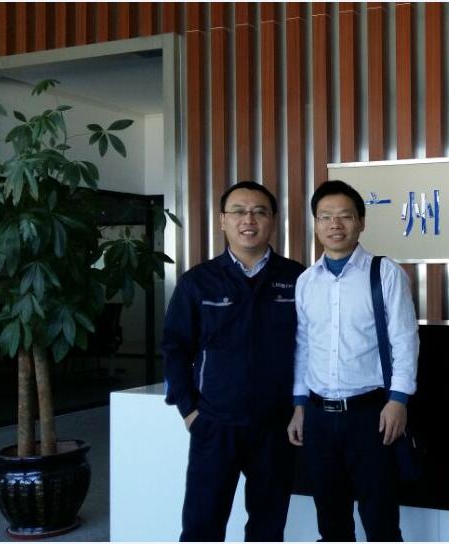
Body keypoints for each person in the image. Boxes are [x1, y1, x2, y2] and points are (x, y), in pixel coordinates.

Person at [162, 181, 305, 541]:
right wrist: (189, 410)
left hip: (276, 426)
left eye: (259, 212)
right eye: (239, 211)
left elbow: (313, 348)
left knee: (268, 528)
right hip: (215, 423)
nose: (249, 220)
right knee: (201, 526)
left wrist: (301, 408)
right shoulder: (198, 282)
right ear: (223, 220)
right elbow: (175, 348)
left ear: (273, 220)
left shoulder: (297, 278)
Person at [287, 180, 419, 541]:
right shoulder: (306, 281)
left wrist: (398, 400)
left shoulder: (384, 273)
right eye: (325, 216)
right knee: (331, 521)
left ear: (361, 222)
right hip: (317, 417)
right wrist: (299, 405)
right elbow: (303, 346)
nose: (335, 224)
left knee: (380, 520)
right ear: (315, 224)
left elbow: (405, 340)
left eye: (345, 216)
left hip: (370, 415)